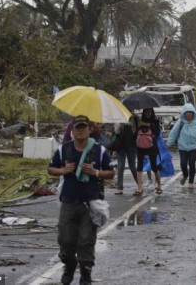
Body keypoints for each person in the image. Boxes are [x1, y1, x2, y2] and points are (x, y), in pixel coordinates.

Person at [47, 115, 114, 285]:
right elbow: (50, 169)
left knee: (86, 240)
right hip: (68, 202)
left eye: (84, 126)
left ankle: (85, 273)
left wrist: (96, 173)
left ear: (90, 129)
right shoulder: (64, 150)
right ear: (72, 130)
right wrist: (63, 170)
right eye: (78, 127)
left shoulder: (99, 151)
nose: (81, 130)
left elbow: (111, 172)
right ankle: (69, 265)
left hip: (90, 203)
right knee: (65, 240)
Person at [167, 103, 196, 189]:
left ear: (193, 113)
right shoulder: (180, 122)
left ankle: (191, 182)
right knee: (183, 164)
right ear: (184, 113)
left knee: (192, 164)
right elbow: (174, 132)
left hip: (194, 147)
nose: (188, 114)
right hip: (182, 147)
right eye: (187, 112)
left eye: (190, 112)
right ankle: (185, 175)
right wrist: (169, 143)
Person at [135, 108, 162, 196]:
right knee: (139, 166)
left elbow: (157, 133)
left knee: (154, 166)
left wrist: (147, 124)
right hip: (140, 146)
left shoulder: (155, 121)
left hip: (151, 146)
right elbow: (135, 133)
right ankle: (139, 187)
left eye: (149, 112)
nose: (147, 114)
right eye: (146, 112)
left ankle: (159, 185)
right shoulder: (139, 121)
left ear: (152, 112)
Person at [113, 115, 138, 195]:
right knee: (120, 166)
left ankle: (139, 184)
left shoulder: (135, 118)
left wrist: (136, 119)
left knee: (132, 166)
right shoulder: (119, 118)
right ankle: (119, 187)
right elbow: (116, 131)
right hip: (121, 146)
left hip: (131, 145)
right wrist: (119, 123)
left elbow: (137, 130)